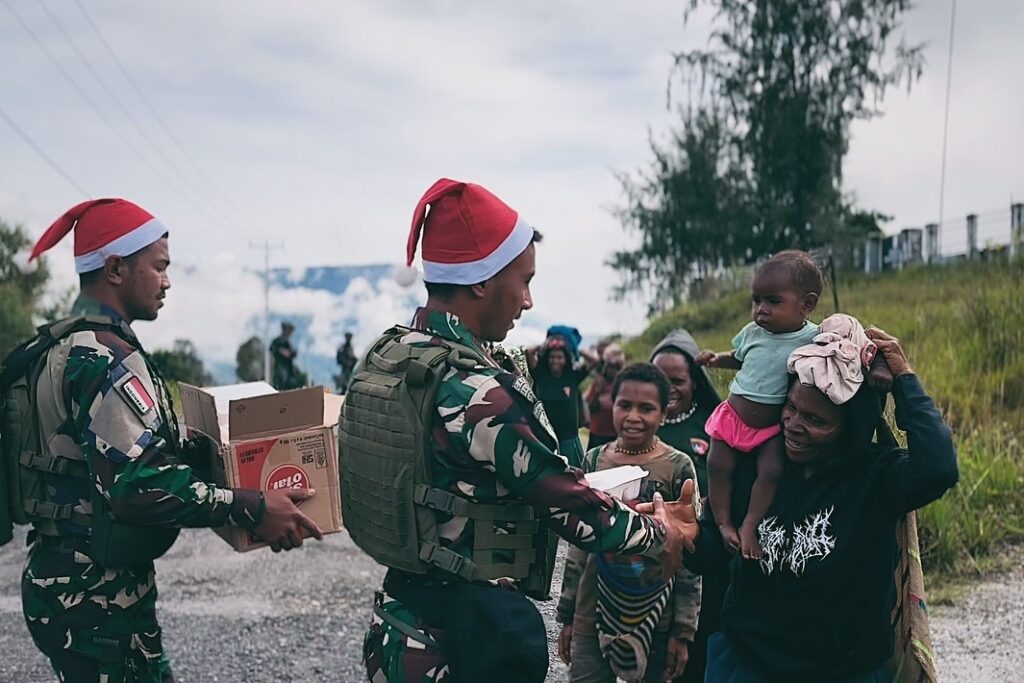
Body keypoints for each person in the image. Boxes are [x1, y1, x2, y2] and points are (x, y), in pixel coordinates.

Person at [351, 179, 694, 683]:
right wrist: (663, 531)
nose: (528, 300)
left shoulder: (397, 354)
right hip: (465, 639)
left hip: (403, 625)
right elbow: (566, 506)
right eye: (524, 280)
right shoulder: (477, 388)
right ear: (481, 282)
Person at [17, 199, 322, 682]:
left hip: (70, 579)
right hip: (97, 596)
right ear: (116, 268)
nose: (167, 281)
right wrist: (251, 506)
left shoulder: (64, 344)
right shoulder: (104, 358)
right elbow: (138, 485)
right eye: (159, 267)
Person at [641, 325, 959, 682]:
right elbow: (717, 551)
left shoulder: (876, 477)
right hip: (747, 665)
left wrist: (903, 379)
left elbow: (938, 469)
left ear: (851, 427)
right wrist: (694, 534)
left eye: (815, 420)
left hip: (841, 672)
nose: (793, 424)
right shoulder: (760, 465)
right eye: (790, 408)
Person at [557, 363, 702, 683]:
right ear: (612, 405)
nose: (633, 417)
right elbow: (580, 541)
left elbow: (689, 550)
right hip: (593, 606)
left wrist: (683, 629)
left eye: (646, 408)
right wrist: (567, 614)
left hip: (656, 611)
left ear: (664, 413)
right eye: (624, 405)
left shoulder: (678, 466)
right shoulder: (594, 460)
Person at [695, 250, 822, 560]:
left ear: (806, 304)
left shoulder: (813, 337)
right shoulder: (752, 333)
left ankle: (750, 525)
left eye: (773, 301)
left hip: (769, 428)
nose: (761, 310)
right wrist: (716, 359)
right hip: (733, 417)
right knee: (717, 464)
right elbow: (738, 359)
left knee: (772, 471)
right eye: (756, 301)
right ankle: (724, 523)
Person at [649, 330, 722, 683]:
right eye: (660, 380)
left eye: (677, 380)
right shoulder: (640, 423)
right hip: (649, 561)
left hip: (701, 560)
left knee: (694, 652)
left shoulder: (715, 426)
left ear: (695, 382)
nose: (669, 389)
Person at [528, 329, 596, 468]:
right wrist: (547, 343)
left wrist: (573, 346)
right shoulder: (540, 374)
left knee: (573, 478)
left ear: (566, 359)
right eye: (552, 357)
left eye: (560, 357)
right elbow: (529, 352)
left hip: (568, 440)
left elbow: (594, 360)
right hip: (545, 438)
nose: (555, 361)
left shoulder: (573, 376)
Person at [586, 342, 626, 449]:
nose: (614, 371)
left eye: (618, 367)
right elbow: (590, 407)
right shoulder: (599, 383)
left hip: (616, 433)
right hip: (597, 432)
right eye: (612, 367)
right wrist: (598, 391)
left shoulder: (624, 385)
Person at [270, 321, 299, 390]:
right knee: (281, 383)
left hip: (288, 369)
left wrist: (290, 353)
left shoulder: (288, 343)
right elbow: (272, 349)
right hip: (280, 368)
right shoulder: (278, 341)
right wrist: (282, 351)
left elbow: (293, 354)